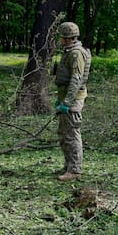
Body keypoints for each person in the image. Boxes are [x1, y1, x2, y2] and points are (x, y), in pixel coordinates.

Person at [53, 21, 91, 182]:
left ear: (67, 38)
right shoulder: (69, 51)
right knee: (64, 133)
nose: (60, 39)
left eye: (61, 36)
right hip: (66, 97)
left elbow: (76, 79)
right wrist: (60, 99)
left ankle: (75, 169)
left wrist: (67, 102)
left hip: (73, 100)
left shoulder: (76, 54)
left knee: (72, 134)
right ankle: (69, 165)